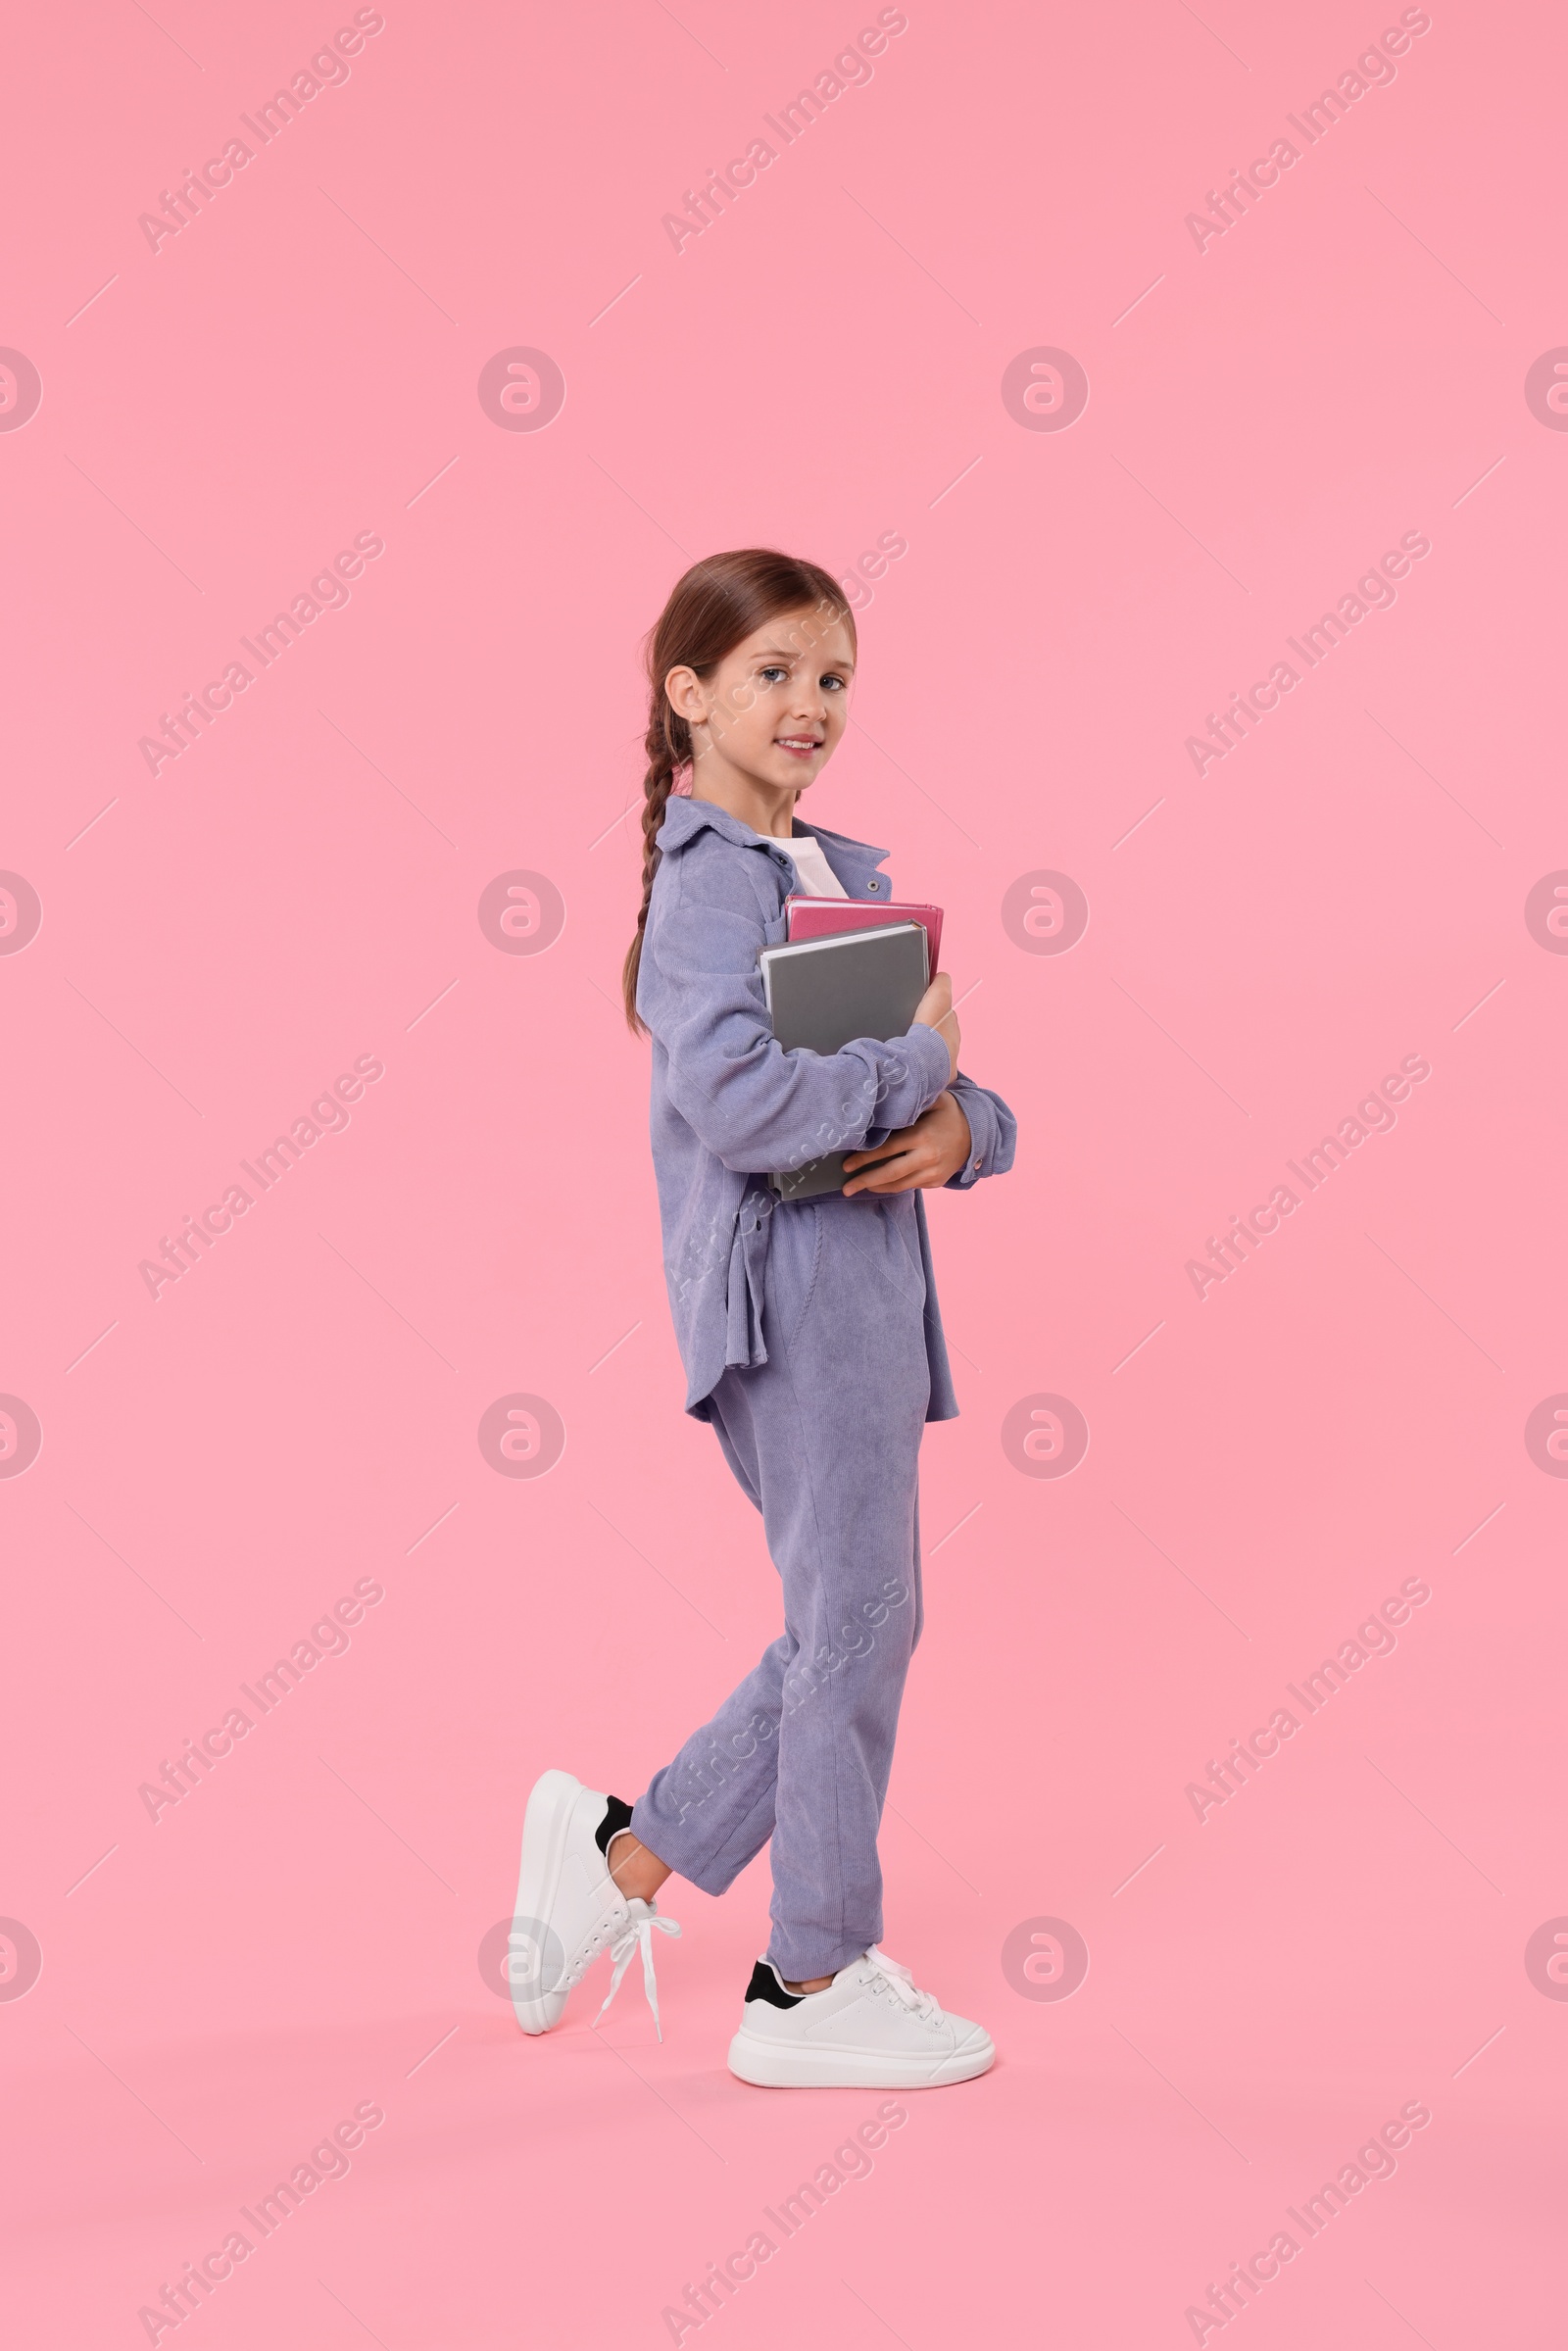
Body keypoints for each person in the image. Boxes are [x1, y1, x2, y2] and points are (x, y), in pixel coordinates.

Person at [510, 550, 1016, 2087]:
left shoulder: (827, 872)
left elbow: (931, 1075)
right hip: (794, 1292)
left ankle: (619, 1866)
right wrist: (915, 1077)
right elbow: (738, 1101)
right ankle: (812, 1979)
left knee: (841, 1623)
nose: (810, 705)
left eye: (835, 677)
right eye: (774, 675)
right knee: (864, 1620)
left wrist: (969, 1125)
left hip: (862, 1277)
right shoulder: (714, 882)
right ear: (691, 696)